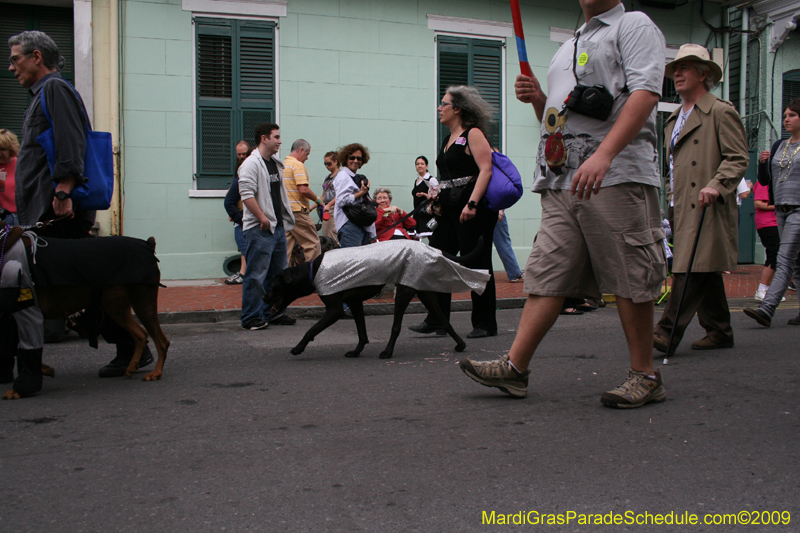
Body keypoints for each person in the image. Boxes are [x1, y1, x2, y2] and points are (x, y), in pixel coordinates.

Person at [459, 0, 668, 408]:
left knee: (630, 274)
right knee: (546, 274)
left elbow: (646, 94)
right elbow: (557, 118)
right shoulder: (568, 45)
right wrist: (539, 97)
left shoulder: (633, 25)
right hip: (560, 180)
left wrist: (605, 154)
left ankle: (645, 374)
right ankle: (515, 368)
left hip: (616, 174)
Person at [8, 30, 153, 379]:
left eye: (16, 58)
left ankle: (133, 347)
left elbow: (71, 139)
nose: (11, 66)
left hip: (57, 208)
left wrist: (64, 190)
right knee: (58, 284)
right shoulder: (43, 93)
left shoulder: (55, 89)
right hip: (47, 208)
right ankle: (35, 355)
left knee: (88, 283)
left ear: (37, 56)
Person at [652, 44, 748, 354]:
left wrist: (717, 185)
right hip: (681, 205)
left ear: (703, 74)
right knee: (702, 265)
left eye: (686, 67)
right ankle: (719, 330)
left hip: (708, 204)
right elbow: (672, 167)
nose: (677, 73)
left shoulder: (720, 111)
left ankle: (666, 332)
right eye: (675, 69)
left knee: (688, 266)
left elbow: (737, 158)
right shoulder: (673, 119)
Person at [408, 85, 498, 339]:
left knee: (477, 265)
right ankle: (437, 319)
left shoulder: (474, 134)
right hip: (447, 209)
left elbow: (486, 170)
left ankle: (485, 323)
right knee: (437, 259)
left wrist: (472, 204)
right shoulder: (447, 139)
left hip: (471, 209)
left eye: (443, 104)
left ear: (457, 108)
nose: (439, 108)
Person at [744, 98, 800, 327]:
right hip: (781, 209)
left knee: (784, 258)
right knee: (797, 263)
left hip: (798, 209)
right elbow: (766, 181)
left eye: (792, 115)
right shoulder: (780, 145)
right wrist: (764, 164)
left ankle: (767, 309)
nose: (786, 119)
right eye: (785, 115)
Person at [238, 123, 296, 330]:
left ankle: (272, 313)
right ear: (264, 139)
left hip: (278, 228)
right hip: (260, 229)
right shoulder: (251, 164)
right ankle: (250, 318)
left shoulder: (275, 163)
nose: (280, 141)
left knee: (279, 274)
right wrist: (262, 218)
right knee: (256, 275)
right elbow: (246, 195)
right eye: (276, 137)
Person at [284, 139, 323, 266]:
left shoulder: (283, 165)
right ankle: (311, 277)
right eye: (307, 154)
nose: (306, 158)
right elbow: (303, 189)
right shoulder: (297, 165)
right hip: (298, 212)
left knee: (285, 248)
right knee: (313, 244)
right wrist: (318, 200)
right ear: (301, 150)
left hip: (284, 211)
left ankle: (282, 278)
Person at [333, 143, 375, 247]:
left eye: (359, 158)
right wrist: (361, 193)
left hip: (358, 224)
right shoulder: (343, 176)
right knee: (351, 261)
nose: (355, 161)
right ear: (346, 159)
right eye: (352, 158)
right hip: (349, 225)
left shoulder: (354, 177)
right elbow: (341, 200)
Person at [223, 140, 251, 285]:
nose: (241, 157)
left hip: (246, 214)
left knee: (246, 247)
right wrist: (233, 212)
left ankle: (247, 275)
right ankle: (243, 273)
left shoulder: (249, 168)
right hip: (240, 212)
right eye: (239, 154)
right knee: (243, 247)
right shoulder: (240, 169)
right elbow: (234, 192)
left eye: (243, 154)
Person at [752, 180, 784, 302]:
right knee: (774, 254)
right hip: (768, 223)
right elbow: (758, 204)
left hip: (776, 223)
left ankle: (769, 289)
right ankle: (762, 289)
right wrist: (781, 206)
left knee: (778, 256)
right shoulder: (764, 182)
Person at [411, 155, 438, 237]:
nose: (419, 166)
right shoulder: (417, 180)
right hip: (418, 213)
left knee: (432, 237)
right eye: (417, 164)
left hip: (427, 214)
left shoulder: (431, 180)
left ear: (426, 166)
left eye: (422, 164)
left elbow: (437, 196)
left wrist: (425, 195)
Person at [494, 209, 523, 283]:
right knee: (502, 242)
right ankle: (514, 273)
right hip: (493, 209)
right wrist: (500, 209)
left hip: (475, 210)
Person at [0, 129, 19, 226]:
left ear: (11, 150)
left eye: (2, 149)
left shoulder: (21, 165)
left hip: (21, 217)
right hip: (3, 218)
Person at [320, 151, 339, 245]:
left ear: (336, 161)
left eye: (329, 163)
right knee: (326, 235)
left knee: (333, 236)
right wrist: (311, 208)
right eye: (325, 164)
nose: (327, 166)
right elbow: (323, 196)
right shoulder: (328, 177)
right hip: (326, 209)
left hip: (334, 208)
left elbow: (340, 195)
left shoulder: (340, 175)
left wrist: (329, 205)